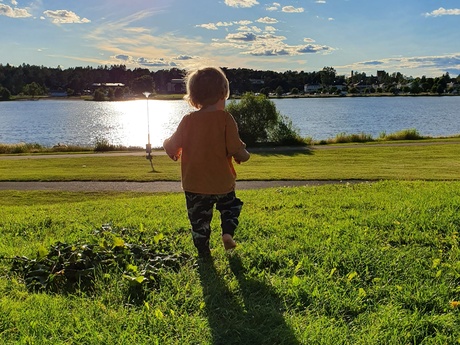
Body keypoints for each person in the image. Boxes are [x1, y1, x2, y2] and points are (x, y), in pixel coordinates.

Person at [163, 66, 250, 258]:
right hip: (222, 183)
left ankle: (203, 252)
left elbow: (171, 146)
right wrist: (244, 156)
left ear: (193, 99)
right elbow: (237, 149)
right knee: (231, 207)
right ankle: (227, 233)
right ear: (223, 94)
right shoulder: (225, 119)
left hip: (194, 185)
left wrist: (168, 147)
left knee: (199, 221)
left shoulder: (187, 121)